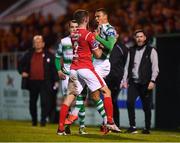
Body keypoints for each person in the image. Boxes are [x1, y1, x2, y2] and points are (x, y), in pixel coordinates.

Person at [57, 9, 119, 135]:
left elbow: (81, 48)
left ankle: (60, 128)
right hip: (85, 68)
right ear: (85, 20)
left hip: (74, 70)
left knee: (70, 98)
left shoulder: (74, 35)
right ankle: (110, 121)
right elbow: (97, 54)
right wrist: (101, 45)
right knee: (106, 91)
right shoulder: (88, 35)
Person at [121, 29, 159, 134]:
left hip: (146, 82)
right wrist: (125, 80)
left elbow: (155, 67)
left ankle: (147, 128)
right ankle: (132, 126)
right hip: (133, 82)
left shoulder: (151, 50)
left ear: (145, 38)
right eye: (137, 37)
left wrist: (153, 81)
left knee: (146, 106)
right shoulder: (131, 50)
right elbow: (127, 66)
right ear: (135, 38)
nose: (139, 38)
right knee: (129, 102)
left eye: (141, 36)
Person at [18, 35, 59, 126]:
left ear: (43, 44)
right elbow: (20, 63)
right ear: (33, 44)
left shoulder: (49, 55)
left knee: (45, 102)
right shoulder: (29, 54)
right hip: (32, 82)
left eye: (39, 42)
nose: (37, 44)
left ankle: (43, 120)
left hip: (45, 82)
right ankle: (34, 120)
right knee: (32, 103)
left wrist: (56, 80)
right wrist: (22, 72)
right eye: (35, 42)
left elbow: (54, 69)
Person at [55, 20, 88, 134]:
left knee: (81, 100)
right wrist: (59, 70)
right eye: (72, 27)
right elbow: (57, 57)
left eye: (76, 27)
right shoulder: (64, 42)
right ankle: (66, 125)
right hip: (67, 75)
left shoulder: (83, 40)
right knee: (69, 102)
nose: (74, 29)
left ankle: (81, 127)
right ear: (69, 29)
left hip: (79, 75)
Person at [105, 39, 128, 128]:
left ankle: (115, 124)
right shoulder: (105, 45)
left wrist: (124, 79)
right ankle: (107, 122)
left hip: (116, 79)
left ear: (117, 36)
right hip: (106, 78)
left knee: (113, 100)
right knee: (107, 100)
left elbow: (127, 64)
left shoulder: (122, 48)